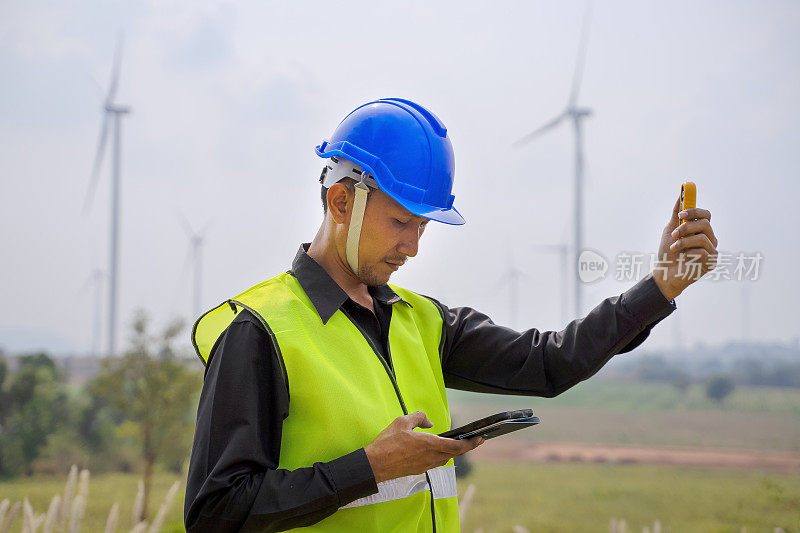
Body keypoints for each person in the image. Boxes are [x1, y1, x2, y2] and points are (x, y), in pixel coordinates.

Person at [183, 98, 718, 532]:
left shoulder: (423, 322)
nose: (413, 248)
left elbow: (550, 363)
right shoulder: (259, 332)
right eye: (401, 222)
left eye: (424, 227)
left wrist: (661, 287)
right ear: (342, 202)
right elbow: (216, 513)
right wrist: (369, 467)